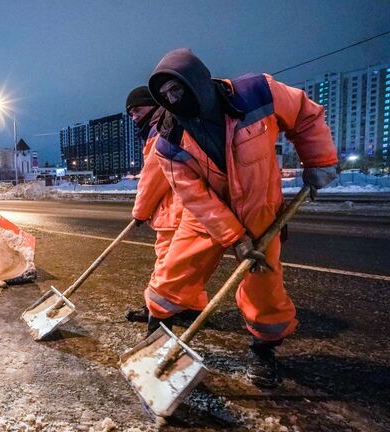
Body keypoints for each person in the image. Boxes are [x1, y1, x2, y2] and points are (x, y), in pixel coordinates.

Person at [147, 48, 338, 388]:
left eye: (177, 89)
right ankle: (154, 339)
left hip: (260, 209)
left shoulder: (256, 93)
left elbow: (306, 116)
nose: (173, 100)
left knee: (264, 289)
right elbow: (195, 196)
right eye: (165, 96)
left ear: (198, 82)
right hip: (206, 217)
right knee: (172, 277)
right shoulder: (169, 138)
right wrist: (234, 238)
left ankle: (263, 352)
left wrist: (320, 161)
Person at [123, 87, 200, 327]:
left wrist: (140, 213)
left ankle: (157, 311)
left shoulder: (160, 132)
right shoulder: (169, 126)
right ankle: (192, 305)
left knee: (167, 262)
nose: (134, 117)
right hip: (182, 206)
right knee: (185, 265)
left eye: (137, 110)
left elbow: (153, 178)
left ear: (154, 106)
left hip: (176, 209)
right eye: (131, 113)